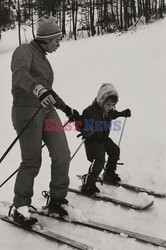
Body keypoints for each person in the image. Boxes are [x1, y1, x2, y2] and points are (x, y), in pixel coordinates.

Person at [10, 15, 79, 226]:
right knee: (31, 161)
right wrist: (37, 89)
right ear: (46, 39)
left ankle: (57, 200)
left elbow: (48, 90)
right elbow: (19, 74)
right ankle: (21, 206)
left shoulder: (43, 58)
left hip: (47, 110)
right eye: (56, 40)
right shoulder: (24, 51)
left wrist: (66, 109)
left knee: (62, 155)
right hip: (26, 110)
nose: (58, 44)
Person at [77, 83, 131, 196]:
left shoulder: (109, 111)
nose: (110, 107)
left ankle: (109, 174)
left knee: (115, 150)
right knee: (99, 160)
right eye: (108, 104)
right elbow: (80, 123)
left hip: (103, 139)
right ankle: (88, 183)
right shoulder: (90, 111)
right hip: (92, 141)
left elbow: (113, 114)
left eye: (112, 104)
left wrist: (122, 113)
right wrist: (84, 128)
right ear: (101, 101)